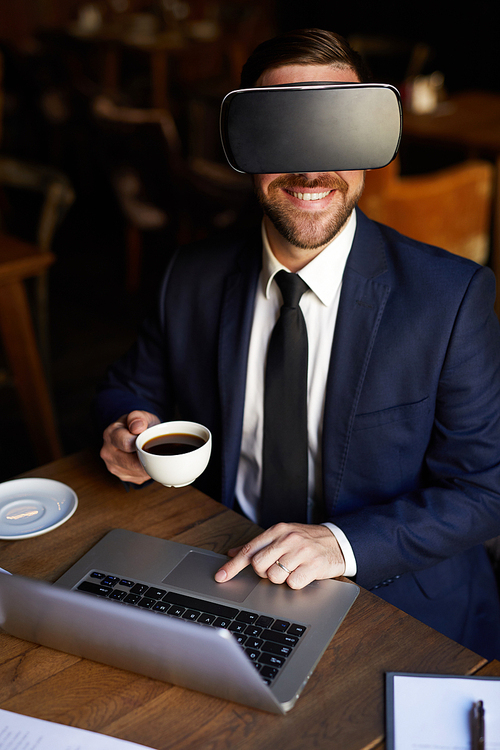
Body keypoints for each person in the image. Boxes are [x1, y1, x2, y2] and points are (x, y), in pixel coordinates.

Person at [95, 29, 500, 658]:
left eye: (335, 130)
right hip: (223, 570)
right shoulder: (190, 276)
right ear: (244, 147)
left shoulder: (450, 299)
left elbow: (485, 490)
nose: (311, 169)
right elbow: (130, 387)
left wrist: (339, 545)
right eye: (282, 133)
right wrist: (125, 430)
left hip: (394, 603)